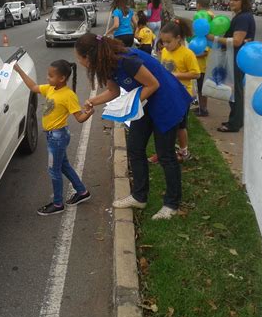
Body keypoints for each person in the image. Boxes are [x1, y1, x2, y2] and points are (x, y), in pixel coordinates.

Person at [75, 33, 193, 220]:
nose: (80, 62)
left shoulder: (126, 60)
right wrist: (92, 101)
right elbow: (113, 91)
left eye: (79, 58)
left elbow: (153, 84)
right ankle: (139, 196)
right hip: (144, 102)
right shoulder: (107, 64)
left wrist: (129, 104)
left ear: (88, 56)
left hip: (166, 101)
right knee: (135, 148)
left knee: (165, 154)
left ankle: (172, 204)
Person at [14, 60, 94, 216]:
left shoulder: (68, 95)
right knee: (63, 166)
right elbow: (33, 87)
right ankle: (82, 192)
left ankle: (58, 203)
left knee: (53, 170)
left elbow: (79, 118)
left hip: (58, 137)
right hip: (53, 136)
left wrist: (89, 113)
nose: (48, 78)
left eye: (51, 76)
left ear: (62, 78)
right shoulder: (50, 88)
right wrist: (19, 70)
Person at [148, 19, 200, 164]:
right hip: (167, 94)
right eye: (163, 42)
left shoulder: (187, 54)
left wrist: (177, 75)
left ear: (178, 38)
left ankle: (183, 151)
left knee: (180, 127)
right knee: (165, 125)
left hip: (182, 96)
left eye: (168, 41)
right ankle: (163, 151)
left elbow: (196, 74)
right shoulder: (164, 51)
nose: (165, 45)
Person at [207, 0, 255, 133]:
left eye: (235, 0)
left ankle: (234, 123)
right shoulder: (240, 16)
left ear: (244, 1)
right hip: (235, 57)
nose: (231, 2)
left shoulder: (243, 17)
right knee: (234, 90)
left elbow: (236, 41)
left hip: (238, 58)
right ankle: (235, 120)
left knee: (236, 91)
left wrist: (213, 38)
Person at [193, 0, 214, 117]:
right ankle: (201, 107)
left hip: (203, 62)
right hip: (206, 58)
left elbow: (204, 48)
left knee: (202, 87)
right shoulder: (211, 15)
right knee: (201, 86)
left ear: (198, 5)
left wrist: (193, 55)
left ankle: (203, 109)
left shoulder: (202, 17)